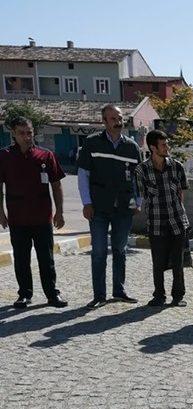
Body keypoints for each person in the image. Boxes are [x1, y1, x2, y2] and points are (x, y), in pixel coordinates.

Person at [77, 104, 142, 308]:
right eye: (113, 118)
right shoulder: (92, 143)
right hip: (98, 208)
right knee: (98, 252)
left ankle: (119, 291)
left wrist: (137, 202)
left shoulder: (132, 147)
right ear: (104, 121)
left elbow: (137, 179)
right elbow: (83, 176)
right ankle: (99, 295)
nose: (118, 121)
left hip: (123, 209)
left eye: (120, 118)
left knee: (120, 250)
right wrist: (86, 203)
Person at [0, 117, 68, 309]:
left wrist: (60, 212)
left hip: (42, 216)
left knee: (46, 258)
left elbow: (56, 186)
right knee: (21, 259)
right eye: (22, 133)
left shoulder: (45, 155)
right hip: (17, 217)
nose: (26, 136)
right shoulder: (4, 156)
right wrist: (1, 213)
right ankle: (24, 294)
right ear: (13, 133)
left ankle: (52, 294)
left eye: (29, 132)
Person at [135, 130, 189, 308]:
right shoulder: (141, 170)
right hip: (156, 222)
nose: (168, 147)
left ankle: (178, 295)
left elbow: (182, 193)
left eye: (167, 144)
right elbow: (142, 194)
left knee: (178, 261)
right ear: (153, 147)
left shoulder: (177, 166)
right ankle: (159, 295)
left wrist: (179, 213)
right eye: (163, 144)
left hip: (177, 221)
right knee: (157, 262)